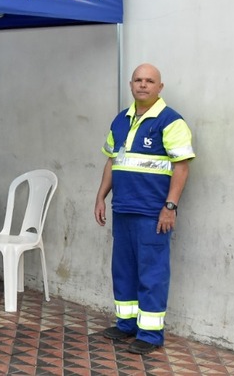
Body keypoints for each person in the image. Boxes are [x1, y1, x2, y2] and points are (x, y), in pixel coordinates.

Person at [94, 63, 195, 355]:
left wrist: (170, 206)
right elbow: (112, 161)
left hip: (153, 213)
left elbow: (182, 168)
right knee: (123, 270)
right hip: (122, 208)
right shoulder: (120, 120)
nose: (143, 85)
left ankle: (150, 334)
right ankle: (126, 325)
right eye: (138, 80)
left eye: (149, 81)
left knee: (152, 273)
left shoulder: (171, 121)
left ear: (159, 87)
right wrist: (101, 197)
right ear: (130, 84)